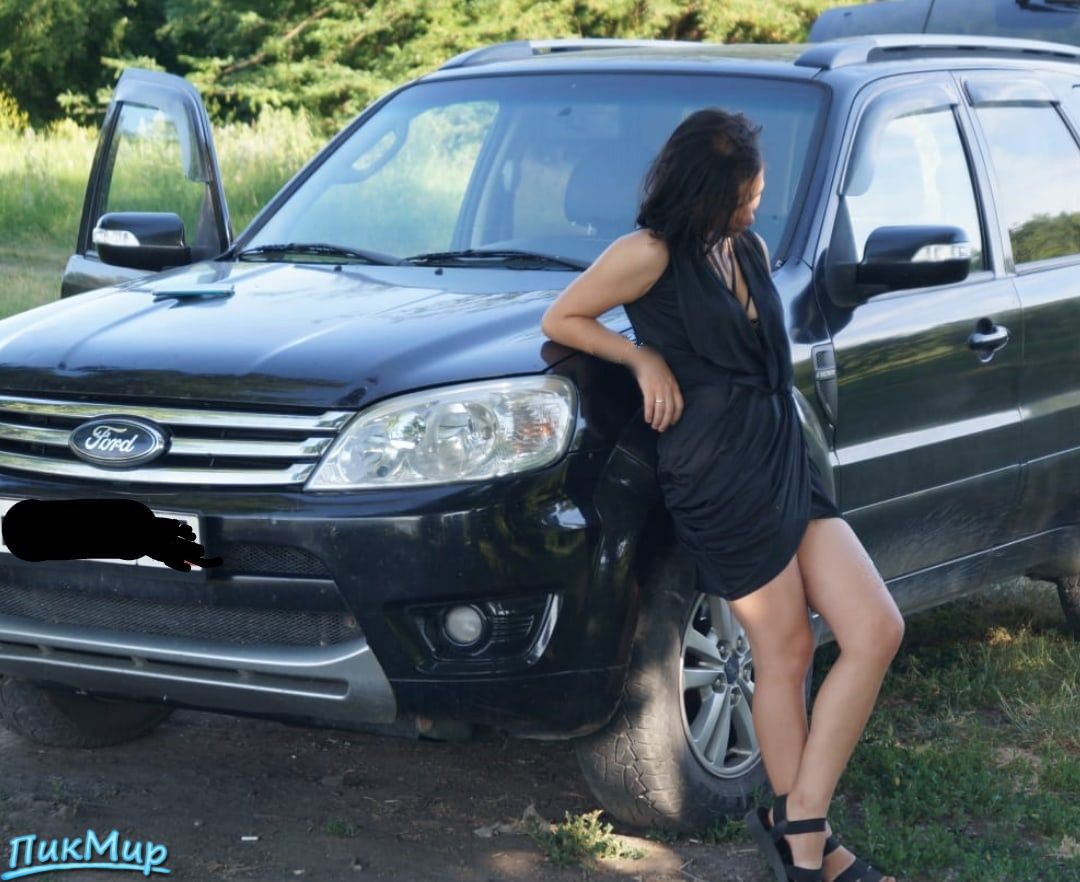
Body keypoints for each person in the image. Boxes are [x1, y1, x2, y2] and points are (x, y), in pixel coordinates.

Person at [540, 108, 905, 882]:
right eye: (745, 194)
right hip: (716, 470)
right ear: (705, 189)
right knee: (786, 650)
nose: (755, 206)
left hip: (783, 455)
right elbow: (562, 317)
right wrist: (642, 359)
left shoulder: (748, 248)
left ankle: (796, 820)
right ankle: (809, 845)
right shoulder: (646, 254)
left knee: (875, 628)